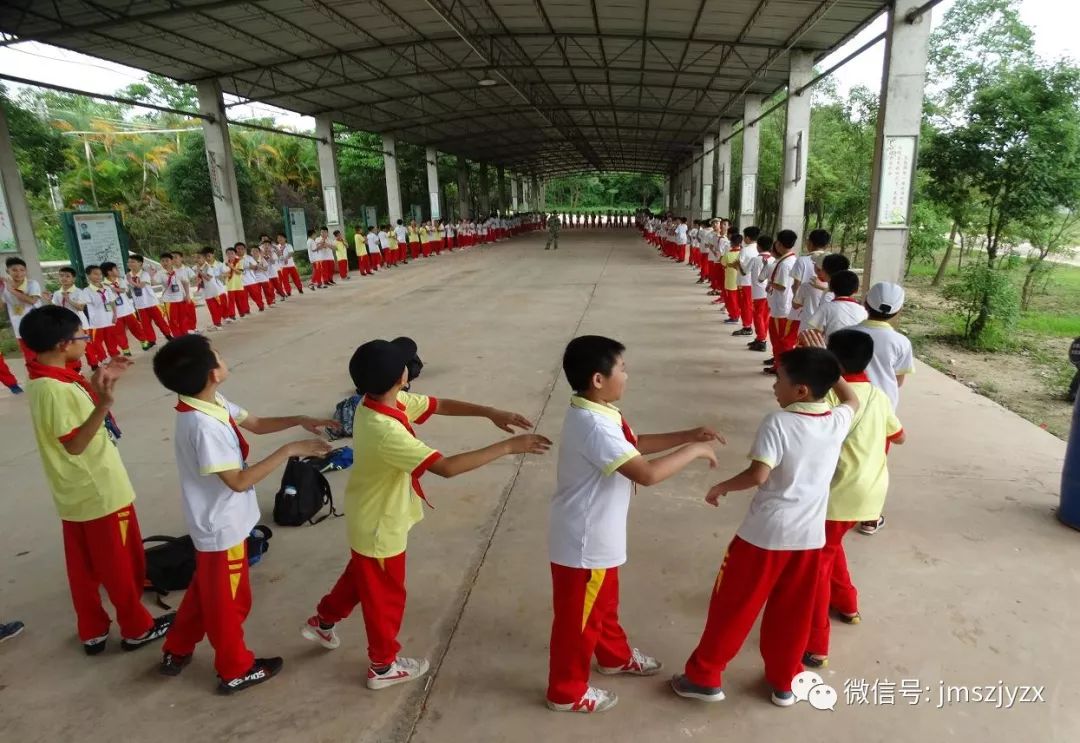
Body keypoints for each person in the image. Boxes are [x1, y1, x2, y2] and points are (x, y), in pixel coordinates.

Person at [299, 338, 551, 690]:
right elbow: (446, 467)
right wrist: (509, 446)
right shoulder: (384, 429)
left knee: (361, 577)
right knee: (385, 596)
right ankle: (383, 666)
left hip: (370, 515)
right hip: (380, 525)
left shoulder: (378, 401)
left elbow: (441, 404)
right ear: (401, 377)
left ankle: (322, 622)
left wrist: (489, 412)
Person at [671, 347, 858, 707]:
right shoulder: (836, 420)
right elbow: (850, 397)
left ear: (800, 390)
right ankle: (784, 682)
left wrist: (722, 485)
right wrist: (828, 367)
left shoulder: (779, 422)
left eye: (780, 379)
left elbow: (759, 475)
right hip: (808, 539)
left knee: (733, 606)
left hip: (764, 537)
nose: (775, 386)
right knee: (792, 613)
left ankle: (704, 676)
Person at [547, 336, 721, 714]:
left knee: (604, 606)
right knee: (576, 624)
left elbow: (634, 444)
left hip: (599, 536)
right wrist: (694, 451)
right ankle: (566, 691)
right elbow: (645, 473)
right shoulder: (594, 426)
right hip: (584, 542)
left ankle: (613, 656)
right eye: (622, 369)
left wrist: (687, 434)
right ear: (598, 378)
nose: (627, 375)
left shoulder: (600, 411)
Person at [152, 334, 334, 693]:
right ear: (212, 373)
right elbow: (237, 481)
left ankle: (177, 649)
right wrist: (289, 450)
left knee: (204, 593)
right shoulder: (203, 426)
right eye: (217, 356)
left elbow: (255, 422)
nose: (222, 358)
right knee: (229, 603)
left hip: (222, 521)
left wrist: (300, 419)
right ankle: (235, 668)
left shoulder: (207, 401)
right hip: (221, 527)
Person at [21, 305, 175, 655]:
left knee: (85, 569)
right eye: (81, 335)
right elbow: (75, 443)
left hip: (74, 492)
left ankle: (92, 629)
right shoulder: (54, 389)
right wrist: (104, 403)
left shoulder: (47, 378)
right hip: (99, 490)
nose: (86, 340)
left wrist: (100, 382)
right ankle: (137, 628)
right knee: (122, 565)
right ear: (63, 344)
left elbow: (71, 417)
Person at [798, 329, 905, 669]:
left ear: (832, 360)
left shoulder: (830, 396)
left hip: (838, 493)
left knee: (815, 568)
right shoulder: (877, 395)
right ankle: (847, 604)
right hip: (871, 493)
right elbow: (899, 436)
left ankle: (816, 644)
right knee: (832, 548)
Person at [852, 282, 914, 536]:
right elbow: (899, 379)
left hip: (847, 404)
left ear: (865, 304)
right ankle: (869, 516)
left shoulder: (847, 333)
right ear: (898, 311)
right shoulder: (900, 341)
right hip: (881, 411)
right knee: (875, 463)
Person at [763, 230, 799, 375]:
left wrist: (771, 283)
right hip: (780, 307)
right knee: (777, 339)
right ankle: (779, 364)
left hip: (782, 308)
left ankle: (783, 368)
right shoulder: (787, 260)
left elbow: (782, 285)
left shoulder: (785, 264)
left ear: (779, 244)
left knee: (781, 340)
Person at [800, 270, 867, 340]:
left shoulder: (826, 308)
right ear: (856, 291)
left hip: (830, 349)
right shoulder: (863, 311)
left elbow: (813, 335)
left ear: (831, 289)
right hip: (856, 350)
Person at [2, 256, 44, 364]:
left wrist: (12, 290)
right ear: (8, 271)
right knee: (29, 357)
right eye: (14, 270)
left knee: (43, 353)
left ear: (26, 271)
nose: (18, 273)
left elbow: (32, 301)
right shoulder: (4, 287)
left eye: (22, 270)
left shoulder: (32, 284)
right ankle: (36, 378)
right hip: (19, 327)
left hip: (37, 326)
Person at [81, 264, 124, 366]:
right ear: (88, 276)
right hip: (96, 322)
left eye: (100, 274)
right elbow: (85, 304)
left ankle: (115, 355)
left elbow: (112, 302)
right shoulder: (86, 291)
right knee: (96, 342)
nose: (98, 276)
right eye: (95, 274)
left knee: (111, 340)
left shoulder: (107, 288)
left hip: (109, 319)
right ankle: (103, 358)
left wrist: (115, 315)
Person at [101, 261, 147, 353]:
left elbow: (123, 290)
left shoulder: (121, 280)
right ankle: (125, 348)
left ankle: (143, 341)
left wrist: (111, 288)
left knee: (136, 327)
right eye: (116, 269)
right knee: (118, 332)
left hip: (128, 310)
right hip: (115, 314)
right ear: (109, 272)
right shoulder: (102, 285)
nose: (118, 270)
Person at [746, 235, 774, 353]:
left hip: (758, 292)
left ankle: (761, 340)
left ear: (758, 246)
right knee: (764, 316)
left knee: (757, 316)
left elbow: (744, 271)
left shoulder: (755, 259)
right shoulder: (773, 259)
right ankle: (760, 337)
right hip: (769, 292)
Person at [195, 248, 227, 331]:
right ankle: (217, 323)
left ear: (204, 258)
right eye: (196, 258)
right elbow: (199, 280)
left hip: (214, 291)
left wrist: (200, 272)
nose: (197, 259)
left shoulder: (208, 267)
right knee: (212, 308)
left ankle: (217, 323)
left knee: (216, 307)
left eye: (199, 257)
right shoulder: (200, 267)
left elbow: (208, 278)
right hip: (207, 291)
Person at [224, 246, 248, 318]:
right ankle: (232, 315)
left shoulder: (239, 261)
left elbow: (239, 272)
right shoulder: (224, 263)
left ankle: (242, 312)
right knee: (231, 301)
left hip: (238, 284)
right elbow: (224, 273)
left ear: (235, 254)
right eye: (228, 253)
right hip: (230, 285)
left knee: (239, 300)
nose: (230, 255)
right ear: (226, 255)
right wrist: (225, 274)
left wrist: (231, 267)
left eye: (232, 253)